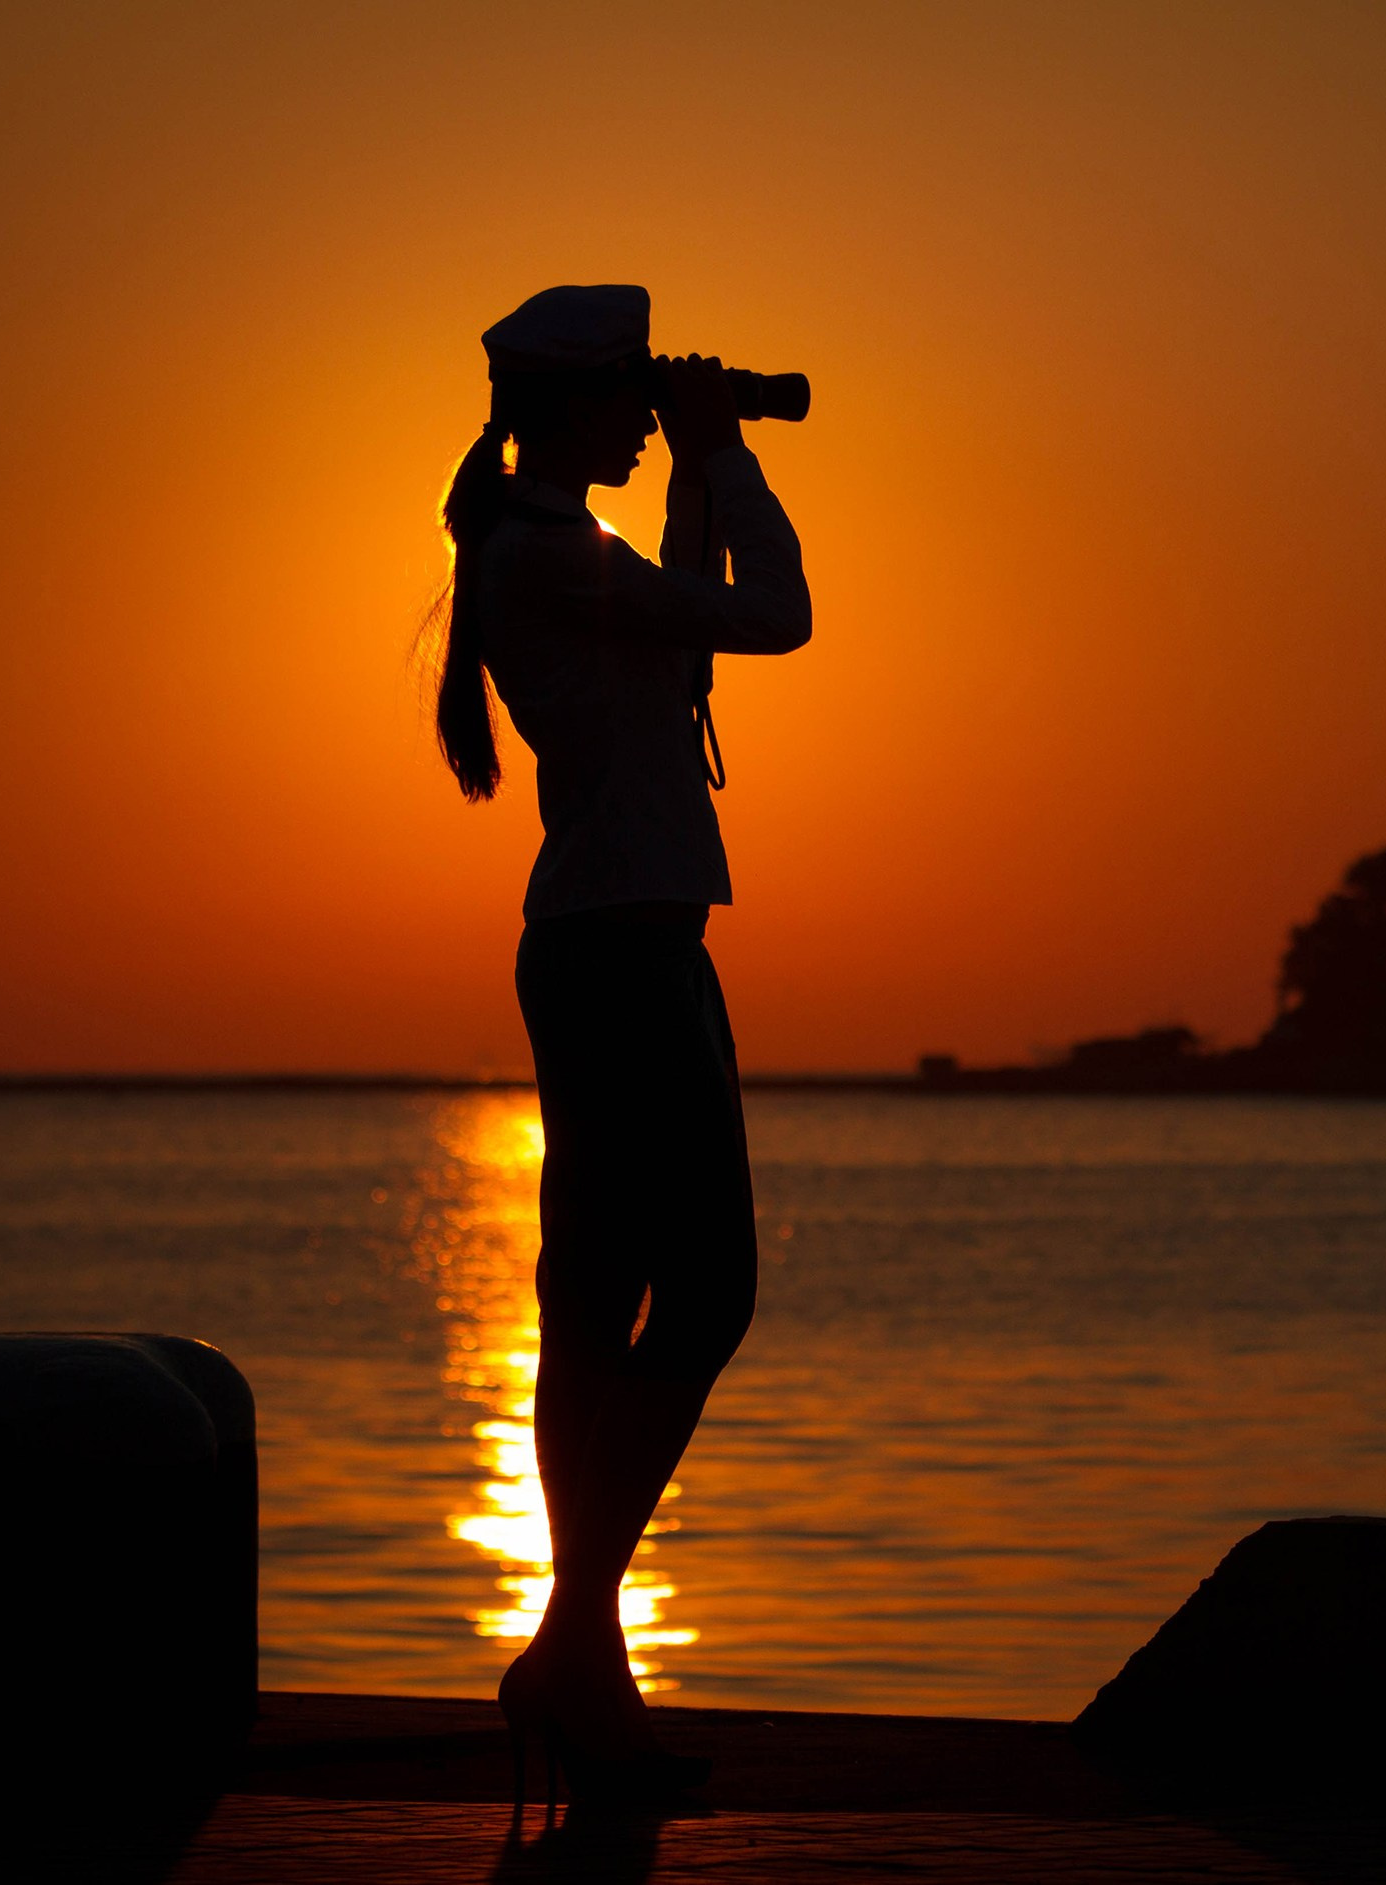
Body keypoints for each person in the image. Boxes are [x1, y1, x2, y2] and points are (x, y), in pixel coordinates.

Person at [429, 284, 810, 1801]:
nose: (647, 415)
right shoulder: (543, 554)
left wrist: (696, 472)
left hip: (614, 940)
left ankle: (582, 1667)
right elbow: (770, 618)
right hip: (628, 950)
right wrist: (730, 462)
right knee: (703, 1290)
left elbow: (687, 654)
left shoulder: (543, 552)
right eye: (630, 399)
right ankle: (577, 1644)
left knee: (592, 1306)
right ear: (564, 409)